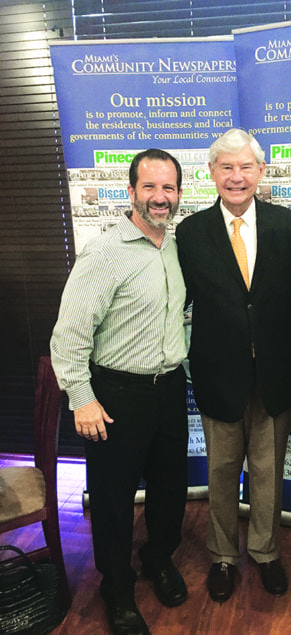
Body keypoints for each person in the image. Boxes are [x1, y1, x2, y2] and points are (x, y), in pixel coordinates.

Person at [51, 149, 189, 635]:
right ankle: (117, 587)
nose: (160, 197)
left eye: (168, 188)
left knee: (171, 489)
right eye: (149, 187)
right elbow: (68, 336)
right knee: (112, 500)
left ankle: (158, 559)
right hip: (116, 396)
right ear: (130, 191)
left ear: (178, 194)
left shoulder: (174, 246)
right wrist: (81, 397)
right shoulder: (104, 253)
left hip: (170, 390)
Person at [175, 129, 291, 602]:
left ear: (261, 172)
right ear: (211, 173)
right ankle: (223, 557)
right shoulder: (189, 233)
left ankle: (266, 553)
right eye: (226, 167)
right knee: (222, 470)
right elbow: (177, 300)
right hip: (217, 375)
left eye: (245, 167)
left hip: (275, 375)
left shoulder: (289, 227)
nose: (236, 177)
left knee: (269, 472)